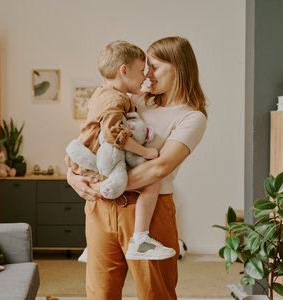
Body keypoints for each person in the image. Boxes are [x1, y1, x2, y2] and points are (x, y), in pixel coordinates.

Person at [67, 36, 207, 300]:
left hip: (149, 213)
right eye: (146, 68)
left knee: (156, 294)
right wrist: (72, 176)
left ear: (178, 68)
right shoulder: (133, 98)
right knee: (99, 294)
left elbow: (159, 168)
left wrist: (102, 187)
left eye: (155, 67)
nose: (147, 75)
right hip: (101, 208)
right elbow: (92, 137)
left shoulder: (191, 117)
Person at [65, 40, 176, 263]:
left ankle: (94, 246)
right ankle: (140, 238)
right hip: (101, 160)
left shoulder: (101, 93)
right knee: (153, 181)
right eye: (141, 71)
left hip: (93, 157)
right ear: (123, 71)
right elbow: (113, 134)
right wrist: (145, 153)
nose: (145, 76)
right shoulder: (116, 98)